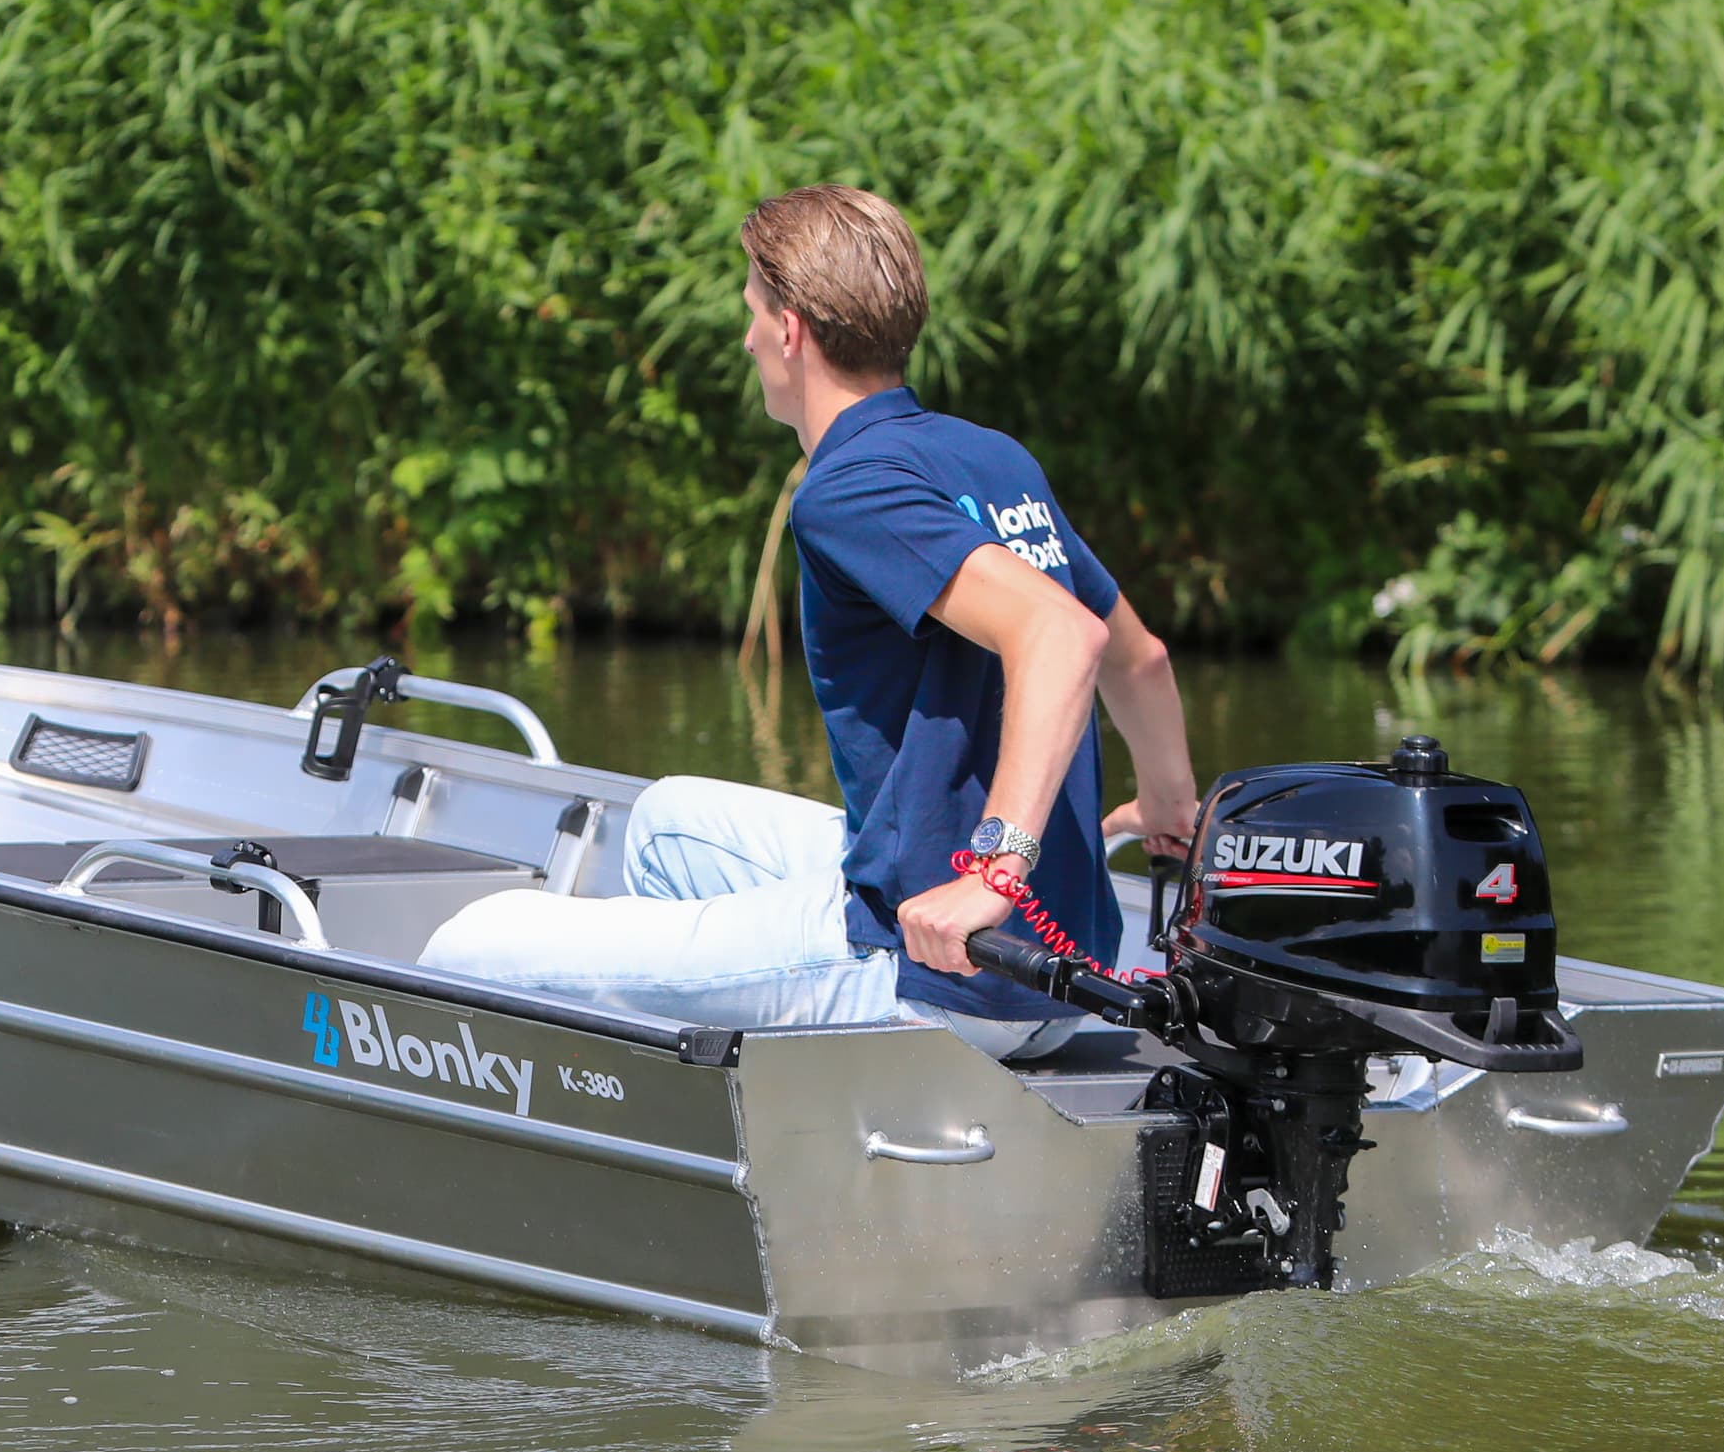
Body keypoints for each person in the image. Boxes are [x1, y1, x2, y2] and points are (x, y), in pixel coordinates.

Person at [421, 184, 1199, 1059]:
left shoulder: (849, 487)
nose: (747, 335)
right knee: (668, 823)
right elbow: (1142, 659)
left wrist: (994, 872)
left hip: (935, 971)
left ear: (789, 330)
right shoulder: (990, 454)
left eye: (751, 310)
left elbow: (1063, 634)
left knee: (465, 945)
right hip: (1060, 959)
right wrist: (1169, 801)